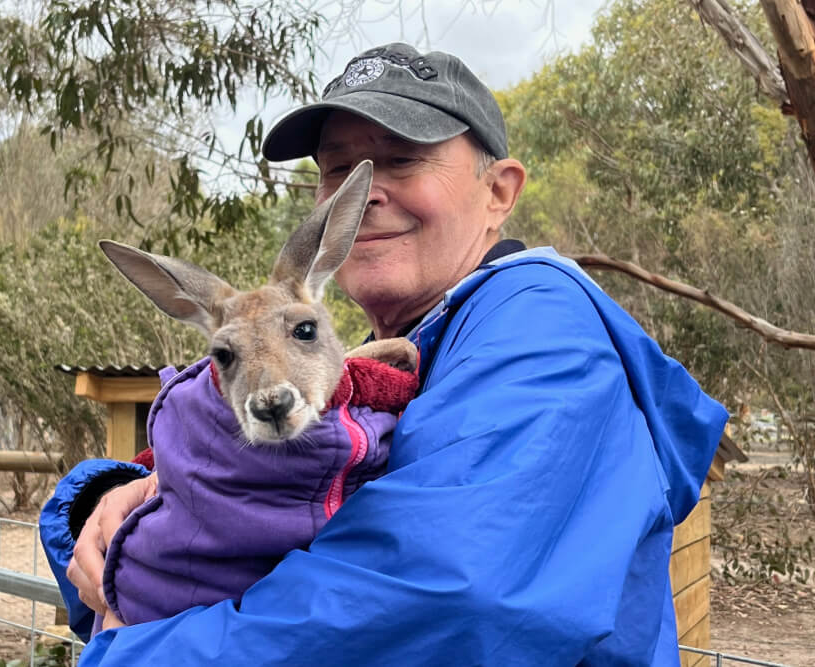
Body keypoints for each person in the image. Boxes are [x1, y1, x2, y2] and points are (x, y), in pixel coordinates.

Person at [41, 42, 728, 665]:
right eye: (338, 169)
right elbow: (245, 525)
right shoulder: (380, 365)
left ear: (499, 192)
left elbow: (441, 595)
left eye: (401, 159)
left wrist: (132, 655)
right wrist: (117, 502)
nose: (362, 193)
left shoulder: (537, 327)